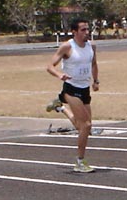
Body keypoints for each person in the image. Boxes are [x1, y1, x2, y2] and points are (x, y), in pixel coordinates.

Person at [46, 18, 99, 173]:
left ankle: (60, 107)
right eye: (83, 30)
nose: (87, 33)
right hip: (71, 88)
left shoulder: (91, 46)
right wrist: (59, 75)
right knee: (86, 125)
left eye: (88, 29)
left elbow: (94, 63)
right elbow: (49, 66)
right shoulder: (67, 47)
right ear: (74, 32)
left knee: (83, 127)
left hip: (84, 89)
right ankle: (80, 161)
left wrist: (96, 81)